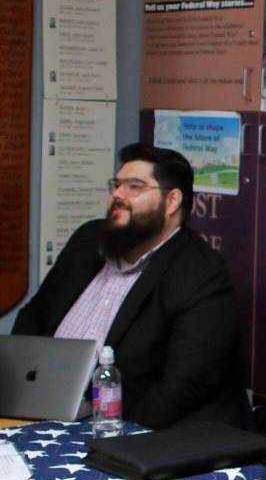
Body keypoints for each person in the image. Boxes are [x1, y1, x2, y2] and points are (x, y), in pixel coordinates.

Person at [14, 142, 244, 429]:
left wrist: (107, 436)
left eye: (134, 187)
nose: (118, 195)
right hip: (42, 413)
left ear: (171, 201)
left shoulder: (202, 274)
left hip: (129, 431)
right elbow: (34, 318)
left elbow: (183, 388)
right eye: (117, 185)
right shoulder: (88, 240)